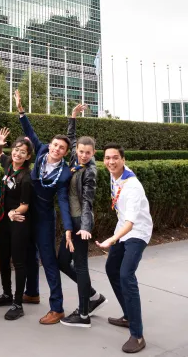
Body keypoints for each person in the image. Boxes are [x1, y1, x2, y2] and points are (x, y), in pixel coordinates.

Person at [14, 89, 72, 325]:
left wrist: (67, 227)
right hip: (27, 212)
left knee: (48, 261)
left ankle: (57, 307)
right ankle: (32, 292)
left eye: (61, 148)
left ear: (66, 153)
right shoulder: (39, 152)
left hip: (45, 218)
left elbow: (63, 202)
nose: (56, 149)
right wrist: (20, 110)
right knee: (29, 254)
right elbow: (29, 132)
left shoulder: (65, 173)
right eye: (55, 145)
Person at [96, 144, 152, 354]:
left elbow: (131, 223)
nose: (111, 162)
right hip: (123, 229)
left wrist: (110, 240)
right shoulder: (115, 175)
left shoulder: (133, 186)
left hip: (137, 232)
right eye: (108, 158)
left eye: (115, 158)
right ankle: (128, 315)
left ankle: (137, 336)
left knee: (126, 275)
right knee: (112, 269)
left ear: (123, 159)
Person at [58, 104, 107, 328]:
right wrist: (73, 117)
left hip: (80, 222)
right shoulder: (75, 159)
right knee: (61, 261)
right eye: (80, 151)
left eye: (88, 153)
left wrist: (85, 227)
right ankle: (93, 296)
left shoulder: (90, 171)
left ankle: (84, 314)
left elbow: (88, 201)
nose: (84, 155)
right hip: (71, 221)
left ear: (93, 153)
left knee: (79, 266)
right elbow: (71, 137)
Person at [0, 128, 33, 321]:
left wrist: (14, 213)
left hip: (19, 222)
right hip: (5, 221)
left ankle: (17, 303)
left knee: (19, 261)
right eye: (16, 149)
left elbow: (25, 205)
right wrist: (0, 142)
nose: (17, 153)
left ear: (28, 156)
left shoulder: (26, 177)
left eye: (22, 152)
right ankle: (7, 294)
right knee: (3, 258)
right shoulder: (8, 164)